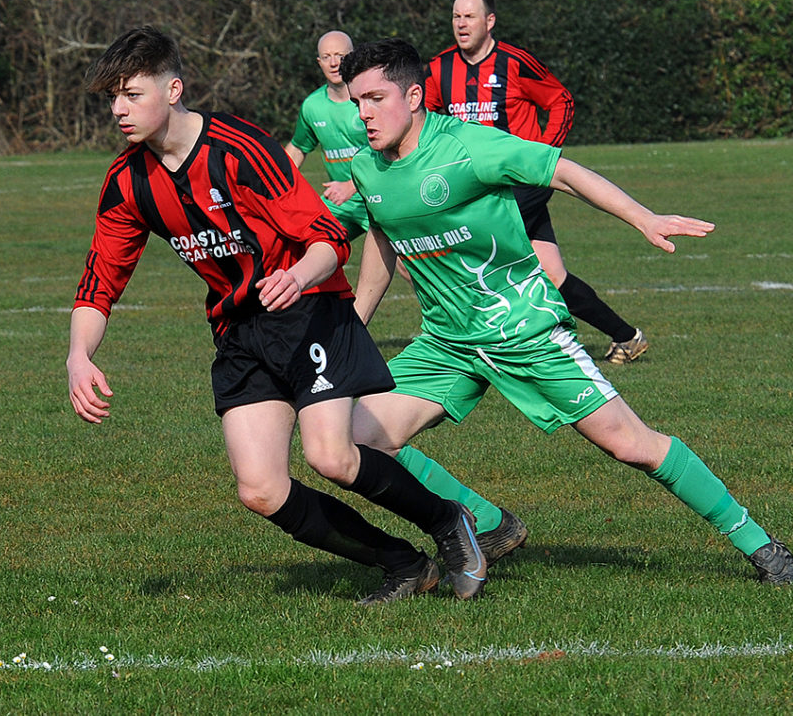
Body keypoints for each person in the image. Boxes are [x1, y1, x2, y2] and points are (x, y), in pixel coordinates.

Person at [338, 37, 793, 585]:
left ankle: (763, 548)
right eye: (356, 100)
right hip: (447, 342)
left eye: (375, 98)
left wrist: (642, 216)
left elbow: (564, 172)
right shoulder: (368, 168)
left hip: (522, 329)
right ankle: (484, 522)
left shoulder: (472, 146)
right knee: (357, 439)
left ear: (413, 97)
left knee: (633, 445)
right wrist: (352, 328)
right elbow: (382, 243)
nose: (364, 113)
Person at [65, 25, 487, 607]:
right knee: (261, 489)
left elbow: (325, 237)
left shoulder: (239, 149)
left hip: (311, 309)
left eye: (131, 94)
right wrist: (79, 354)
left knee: (330, 456)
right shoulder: (127, 181)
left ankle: (449, 522)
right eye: (112, 97)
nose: (118, 110)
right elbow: (100, 281)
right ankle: (403, 563)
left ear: (173, 89)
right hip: (239, 329)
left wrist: (297, 276)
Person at [424, 0, 647, 364]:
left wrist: (543, 156)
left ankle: (483, 341)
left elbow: (560, 101)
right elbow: (427, 122)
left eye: (470, 16)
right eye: (456, 17)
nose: (461, 24)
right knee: (553, 275)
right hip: (473, 185)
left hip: (521, 184)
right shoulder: (438, 68)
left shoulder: (514, 62)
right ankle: (627, 337)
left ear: (489, 21)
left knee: (468, 249)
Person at [284, 30, 371, 242]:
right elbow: (297, 148)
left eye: (340, 56)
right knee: (306, 249)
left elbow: (392, 152)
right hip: (339, 200)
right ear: (319, 62)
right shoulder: (313, 106)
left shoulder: (371, 98)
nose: (334, 63)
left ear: (353, 57)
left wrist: (352, 185)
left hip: (377, 195)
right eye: (326, 57)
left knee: (405, 262)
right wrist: (272, 183)